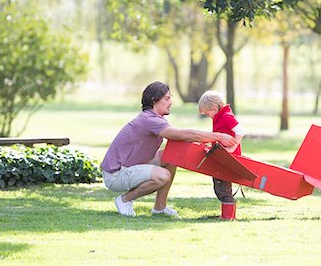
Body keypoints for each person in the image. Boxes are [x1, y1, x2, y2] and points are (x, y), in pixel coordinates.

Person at [101, 81, 237, 217]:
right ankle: (124, 200)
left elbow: (181, 139)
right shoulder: (149, 120)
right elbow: (185, 135)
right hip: (116, 175)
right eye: (167, 98)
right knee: (163, 176)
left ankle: (160, 208)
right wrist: (218, 136)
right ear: (154, 101)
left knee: (172, 157)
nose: (171, 102)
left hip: (129, 167)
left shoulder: (154, 118)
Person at [198, 90, 244, 220]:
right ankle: (227, 212)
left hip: (228, 157)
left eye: (207, 113)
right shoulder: (220, 116)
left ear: (214, 107)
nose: (208, 116)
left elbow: (240, 130)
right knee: (219, 183)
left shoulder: (226, 116)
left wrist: (234, 146)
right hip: (222, 156)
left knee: (222, 185)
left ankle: (228, 214)